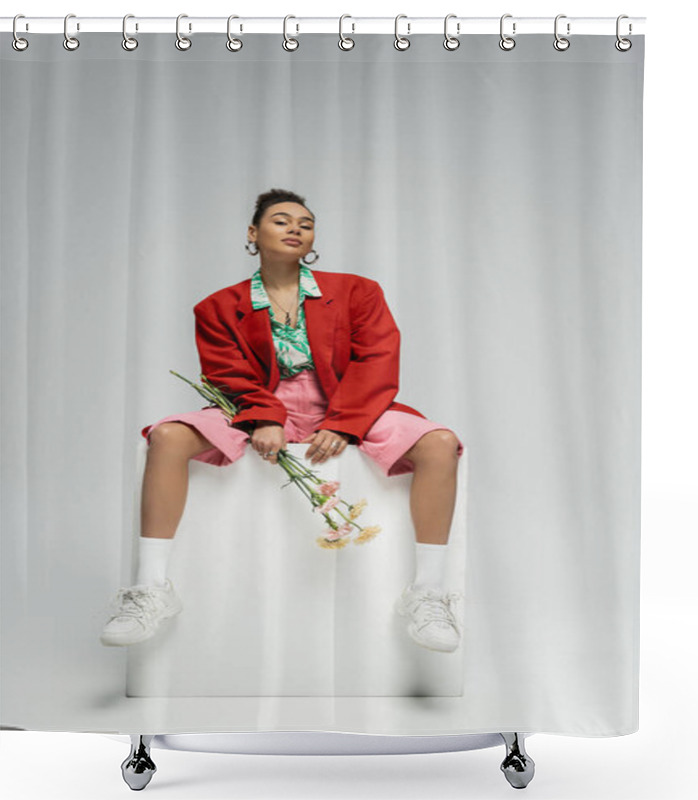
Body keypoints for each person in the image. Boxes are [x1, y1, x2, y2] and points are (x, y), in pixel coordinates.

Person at [100, 188, 465, 653]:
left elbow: (377, 357)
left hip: (348, 403)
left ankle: (428, 595)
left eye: (305, 223)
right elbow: (226, 373)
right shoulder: (216, 307)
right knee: (168, 436)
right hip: (263, 407)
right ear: (253, 233)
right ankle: (150, 590)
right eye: (280, 220)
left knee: (440, 442)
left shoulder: (357, 291)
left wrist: (344, 422)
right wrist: (262, 416)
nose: (295, 228)